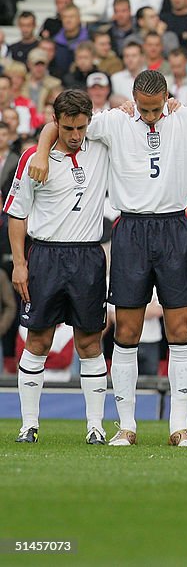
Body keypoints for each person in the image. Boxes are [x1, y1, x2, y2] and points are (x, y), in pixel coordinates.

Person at [28, 71, 187, 447]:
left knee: (180, 331)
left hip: (176, 228)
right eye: (143, 109)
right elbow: (58, 125)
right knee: (126, 332)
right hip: (131, 231)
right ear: (133, 100)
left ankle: (179, 426)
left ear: (167, 99)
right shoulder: (114, 121)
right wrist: (43, 152)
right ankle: (126, 426)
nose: (148, 115)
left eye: (155, 109)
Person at [5, 90, 110, 445]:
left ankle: (95, 426)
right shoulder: (34, 158)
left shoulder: (101, 145)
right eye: (68, 128)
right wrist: (19, 263)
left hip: (88, 256)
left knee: (90, 342)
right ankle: (28, 424)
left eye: (81, 126)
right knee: (38, 340)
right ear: (56, 123)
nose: (76, 135)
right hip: (45, 256)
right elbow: (17, 215)